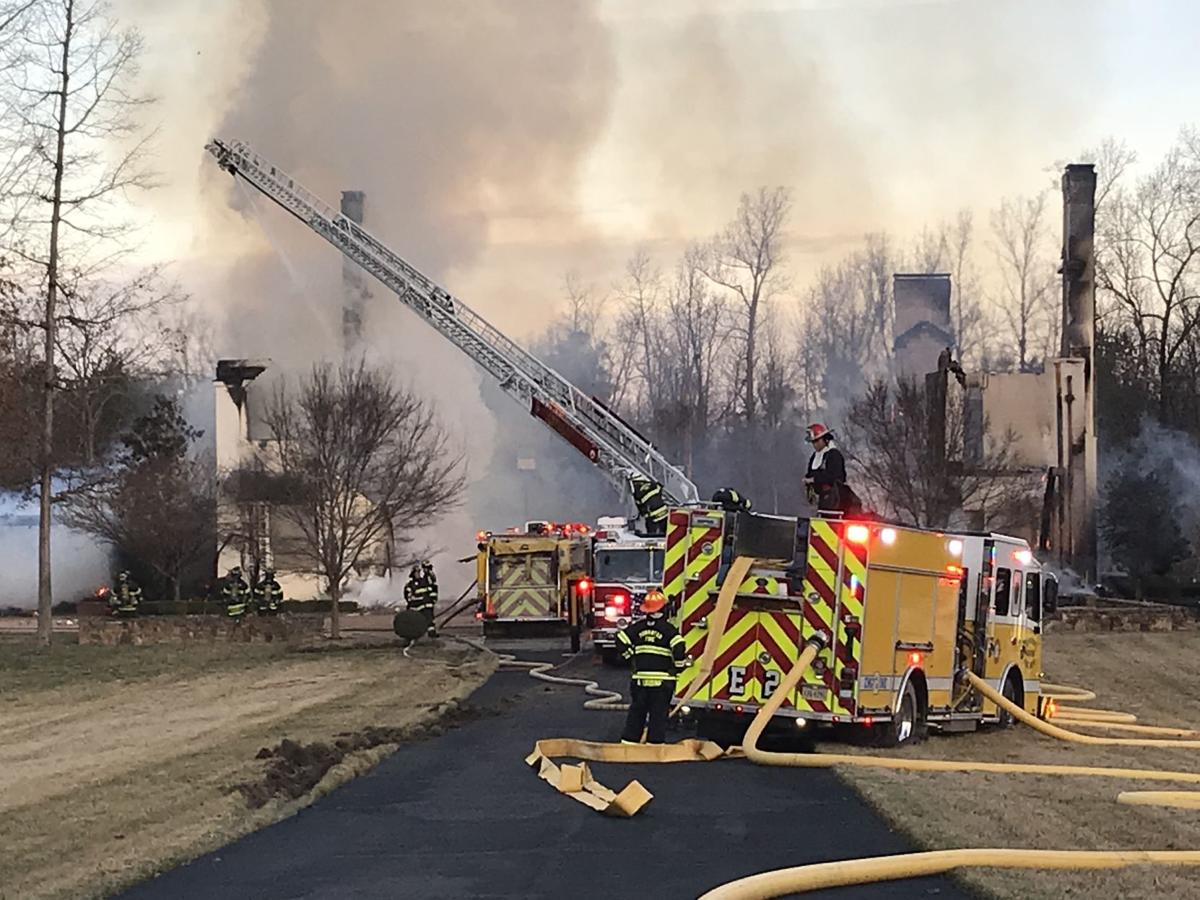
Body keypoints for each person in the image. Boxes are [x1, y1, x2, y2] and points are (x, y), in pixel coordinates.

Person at [617, 589, 686, 744]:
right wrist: (679, 666)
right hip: (662, 683)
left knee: (637, 713)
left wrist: (630, 655)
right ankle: (654, 746)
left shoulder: (638, 627)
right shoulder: (668, 629)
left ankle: (629, 744)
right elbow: (679, 647)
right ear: (663, 609)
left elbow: (620, 638)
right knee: (658, 715)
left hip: (640, 681)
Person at [804, 423, 861, 514]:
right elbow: (810, 473)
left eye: (817, 441)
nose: (814, 445)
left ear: (825, 439)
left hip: (836, 501)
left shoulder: (834, 455)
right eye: (813, 442)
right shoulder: (815, 456)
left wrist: (815, 479)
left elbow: (836, 476)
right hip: (822, 500)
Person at [404, 561, 438, 637]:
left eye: (419, 572)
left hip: (427, 605)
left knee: (429, 619)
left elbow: (433, 584)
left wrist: (428, 569)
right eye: (416, 572)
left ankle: (431, 633)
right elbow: (408, 597)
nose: (418, 574)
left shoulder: (425, 581)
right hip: (416, 607)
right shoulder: (410, 585)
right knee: (415, 622)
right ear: (413, 574)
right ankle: (414, 634)